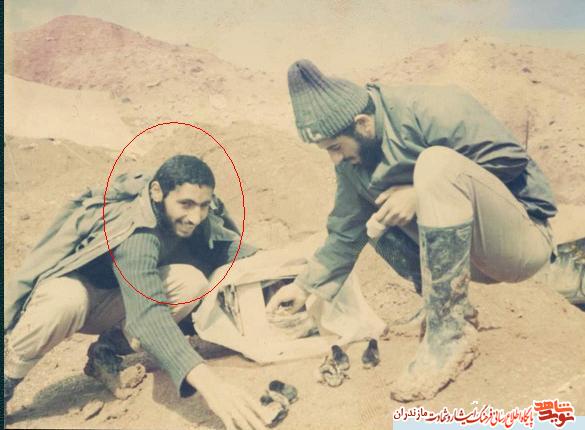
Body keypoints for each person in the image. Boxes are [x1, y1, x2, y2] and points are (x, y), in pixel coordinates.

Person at [267, 59, 558, 402]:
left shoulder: (432, 107)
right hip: (470, 260)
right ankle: (448, 314)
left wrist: (419, 193)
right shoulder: (354, 162)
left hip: (521, 242)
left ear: (362, 124)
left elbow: (510, 158)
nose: (335, 159)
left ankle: (449, 337)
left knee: (436, 164)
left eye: (335, 147)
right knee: (376, 222)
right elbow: (346, 231)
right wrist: (303, 287)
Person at [4, 155, 267, 429]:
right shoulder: (138, 233)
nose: (195, 217)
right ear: (157, 192)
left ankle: (106, 351)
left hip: (120, 299)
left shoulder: (192, 218)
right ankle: (7, 377)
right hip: (75, 296)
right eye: (186, 204)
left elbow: (227, 249)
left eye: (203, 206)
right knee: (67, 301)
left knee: (190, 281)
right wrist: (211, 384)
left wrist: (286, 270)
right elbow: (147, 316)